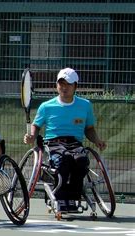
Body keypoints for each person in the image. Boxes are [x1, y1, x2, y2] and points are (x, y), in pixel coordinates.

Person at [23, 67, 107, 212]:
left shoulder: (85, 105)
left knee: (81, 160)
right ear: (56, 85)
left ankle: (73, 198)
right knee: (64, 159)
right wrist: (31, 136)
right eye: (61, 83)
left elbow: (89, 129)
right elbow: (36, 126)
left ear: (75, 86)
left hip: (75, 143)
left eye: (68, 84)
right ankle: (61, 198)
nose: (63, 87)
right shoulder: (46, 106)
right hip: (53, 143)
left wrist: (97, 140)